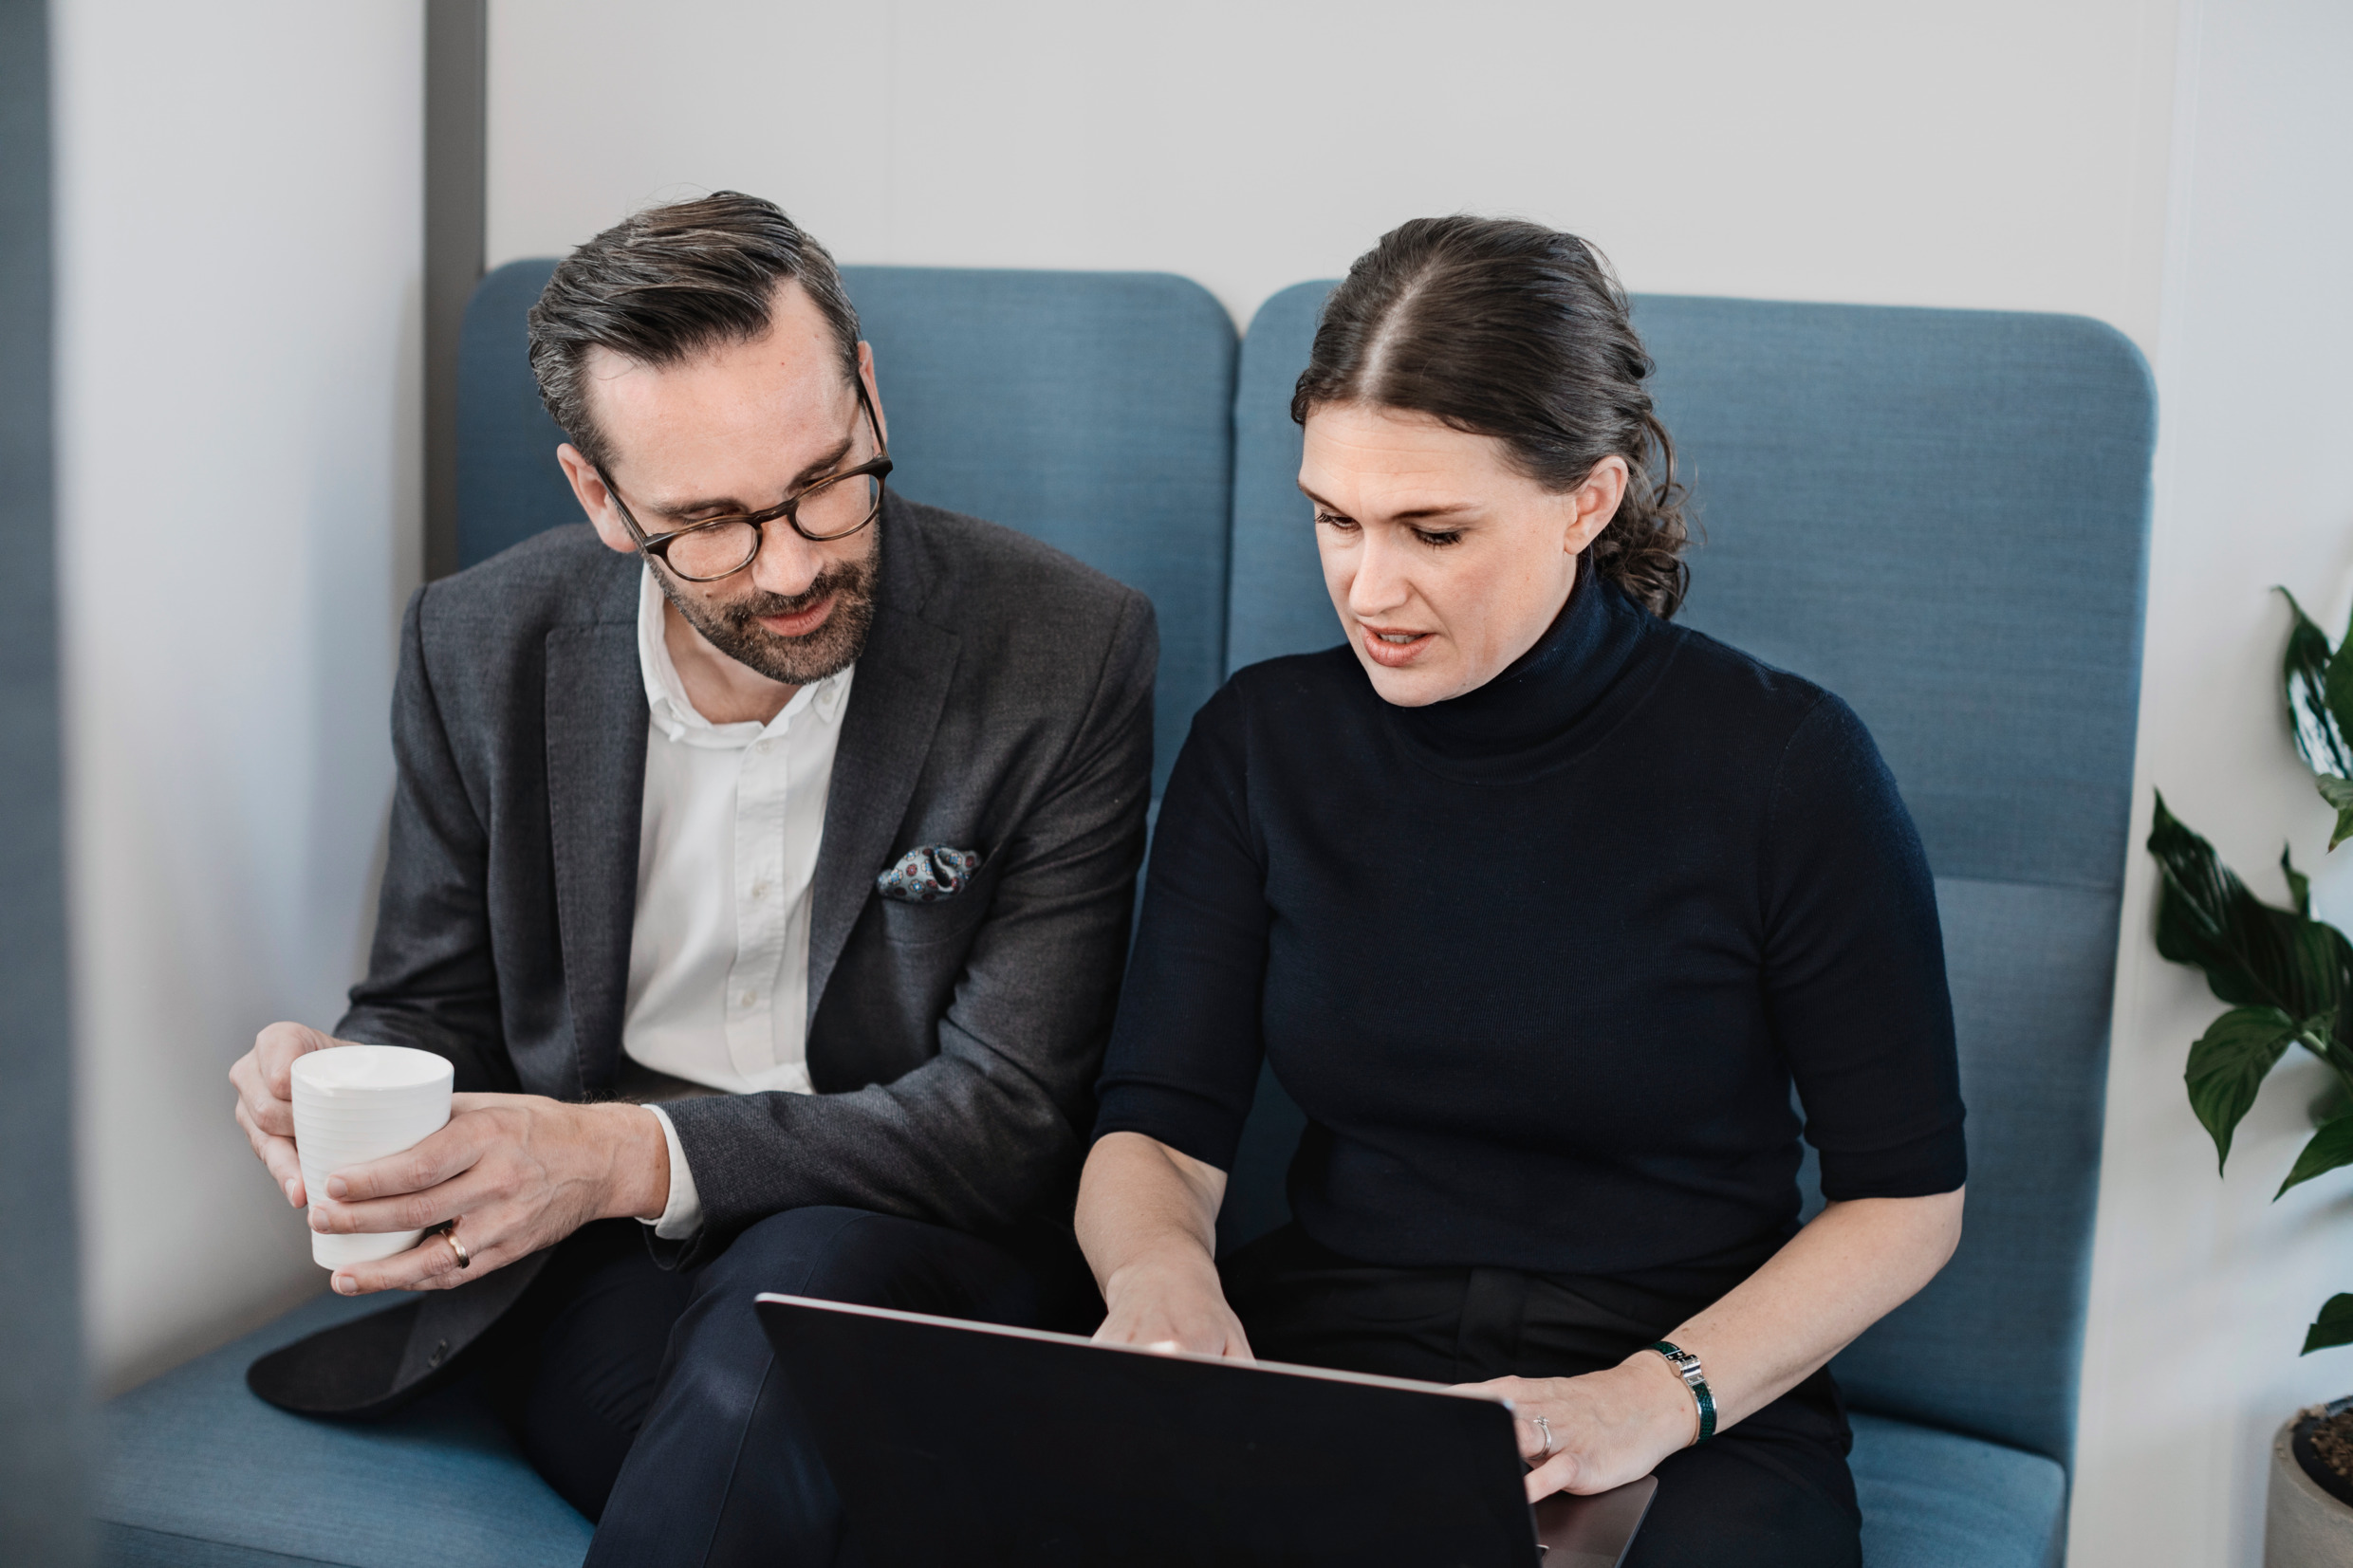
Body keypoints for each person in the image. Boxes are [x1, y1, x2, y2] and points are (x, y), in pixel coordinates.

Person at [227, 193, 1155, 1564]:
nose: (792, 566)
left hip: (919, 1242)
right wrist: (343, 1087)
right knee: (788, 1427)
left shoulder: (1066, 649)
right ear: (601, 498)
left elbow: (1004, 1118)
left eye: (828, 480)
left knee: (800, 1306)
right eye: (710, 524)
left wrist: (613, 1154)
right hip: (606, 1281)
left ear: (871, 396)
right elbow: (430, 1005)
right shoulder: (480, 646)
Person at [1076, 216, 1966, 1567]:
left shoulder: (1786, 765)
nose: (1371, 588)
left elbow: (1907, 1197)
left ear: (1587, 500)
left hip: (1685, 1388)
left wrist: (1645, 1399)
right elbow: (1158, 1132)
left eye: (1434, 529)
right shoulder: (1265, 745)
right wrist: (1160, 1276)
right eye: (1335, 519)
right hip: (1337, 1349)